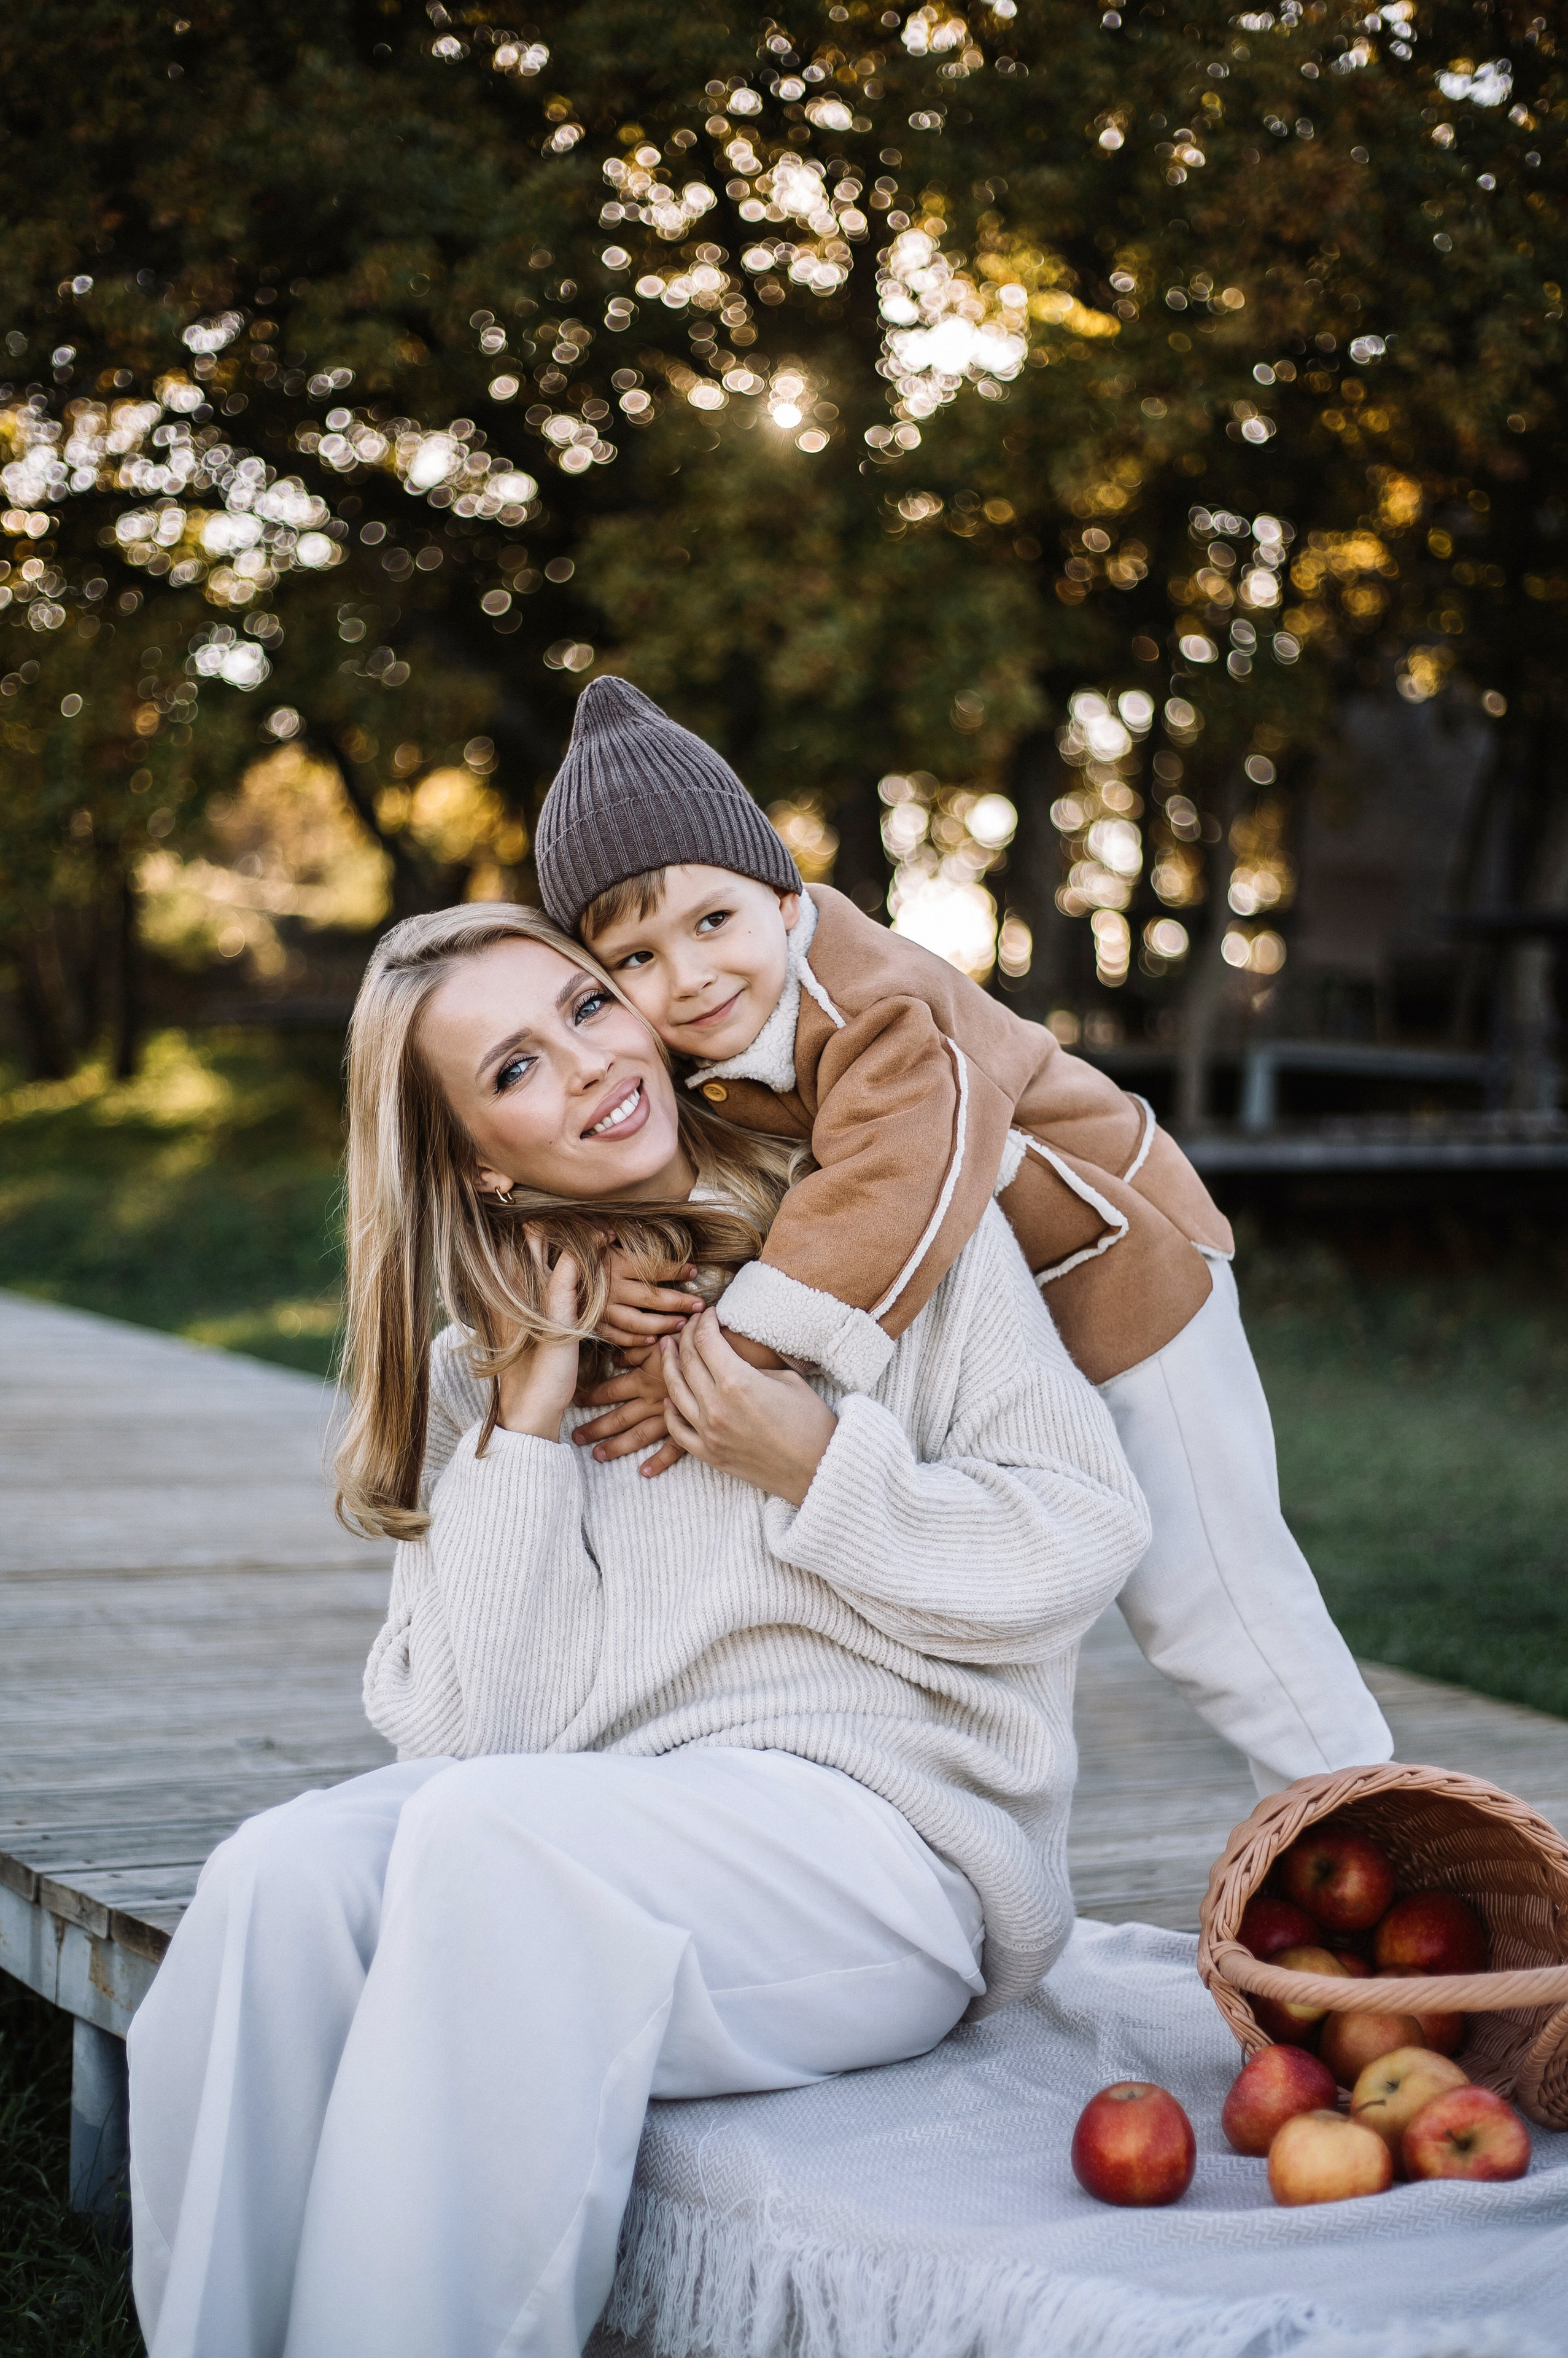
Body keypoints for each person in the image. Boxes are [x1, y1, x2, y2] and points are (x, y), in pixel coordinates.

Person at [127, 901, 1154, 2358]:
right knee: (279, 1876)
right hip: (600, 1838)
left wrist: (811, 1461)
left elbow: (1078, 1539)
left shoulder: (894, 1223)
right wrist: (533, 1408)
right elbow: (478, 1746)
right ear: (479, 1159)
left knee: (489, 1850)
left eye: (587, 1007)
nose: (591, 1063)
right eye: (513, 1070)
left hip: (882, 1855)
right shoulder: (484, 1370)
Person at [534, 677, 1393, 1796]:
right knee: (1024, 1551)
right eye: (635, 959)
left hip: (1130, 1271)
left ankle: (1385, 1824)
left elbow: (903, 1181)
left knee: (1210, 1594)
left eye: (712, 922)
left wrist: (732, 1358)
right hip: (1010, 1306)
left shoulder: (869, 1004)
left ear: (787, 906)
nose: (689, 975)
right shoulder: (709, 1039)